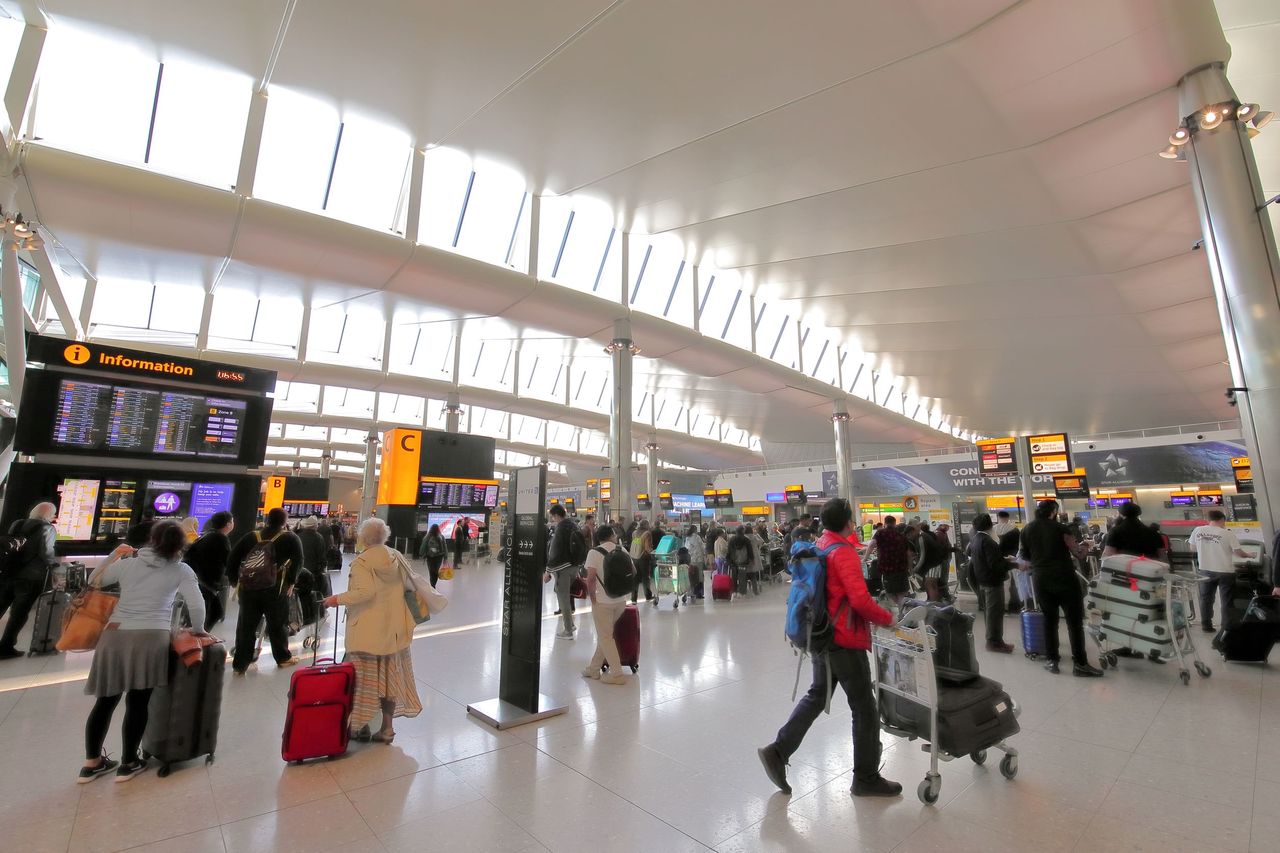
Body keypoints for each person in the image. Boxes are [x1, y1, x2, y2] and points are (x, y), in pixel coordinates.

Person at [757, 498, 900, 798]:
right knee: (864, 707)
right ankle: (866, 777)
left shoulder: (822, 544)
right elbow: (860, 600)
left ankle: (778, 751)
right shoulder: (843, 553)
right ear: (848, 522)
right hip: (843, 639)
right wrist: (888, 619)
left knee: (817, 695)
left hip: (821, 635)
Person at [79, 521, 206, 783]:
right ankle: (128, 762)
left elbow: (93, 580)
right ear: (179, 544)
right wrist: (198, 630)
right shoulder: (181, 569)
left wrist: (115, 554)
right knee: (138, 702)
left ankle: (91, 763)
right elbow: (196, 604)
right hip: (152, 635)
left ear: (152, 540)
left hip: (115, 634)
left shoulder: (129, 564)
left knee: (105, 701)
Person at [322, 518, 422, 743]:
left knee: (362, 681)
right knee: (389, 679)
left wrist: (335, 599)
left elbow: (364, 593)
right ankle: (387, 728)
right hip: (394, 631)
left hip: (367, 633)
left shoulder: (362, 562)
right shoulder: (396, 556)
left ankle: (360, 726)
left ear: (363, 538)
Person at [1020, 500, 1102, 677]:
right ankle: (1080, 664)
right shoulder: (1061, 529)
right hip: (1064, 578)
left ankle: (1052, 660)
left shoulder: (1027, 529)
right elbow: (1078, 553)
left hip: (1041, 580)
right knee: (1074, 623)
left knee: (1049, 621)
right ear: (1054, 511)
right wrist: (1087, 545)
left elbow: (1025, 557)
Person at [227, 507, 303, 675]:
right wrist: (291, 581)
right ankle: (282, 658)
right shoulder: (290, 538)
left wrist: (234, 581)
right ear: (284, 521)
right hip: (276, 589)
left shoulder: (252, 536)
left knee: (246, 626)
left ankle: (240, 665)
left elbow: (233, 558)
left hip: (249, 589)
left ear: (267, 519)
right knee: (277, 625)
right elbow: (298, 561)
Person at [0, 502, 59, 659]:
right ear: (49, 515)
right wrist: (54, 566)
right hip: (31, 576)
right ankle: (5, 646)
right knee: (19, 613)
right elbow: (46, 552)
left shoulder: (17, 523)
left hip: (9, 572)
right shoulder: (47, 528)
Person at [581, 525, 630, 685]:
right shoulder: (622, 550)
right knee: (606, 635)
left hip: (603, 601)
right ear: (612, 536)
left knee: (606, 637)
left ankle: (617, 675)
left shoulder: (594, 553)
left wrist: (593, 598)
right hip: (621, 600)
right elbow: (633, 572)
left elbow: (590, 579)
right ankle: (593, 668)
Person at [1190, 510, 1250, 633]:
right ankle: (1226, 627)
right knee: (1226, 600)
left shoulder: (1198, 530)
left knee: (1206, 599)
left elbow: (1192, 548)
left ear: (1209, 519)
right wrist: (1249, 555)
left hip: (1205, 570)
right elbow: (1238, 552)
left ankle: (1206, 626)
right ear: (1222, 519)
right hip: (1225, 571)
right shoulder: (1227, 534)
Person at [967, 514, 1013, 653]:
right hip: (992, 582)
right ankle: (994, 643)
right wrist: (1013, 564)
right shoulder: (988, 541)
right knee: (995, 613)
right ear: (990, 525)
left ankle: (993, 640)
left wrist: (1003, 559)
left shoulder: (975, 540)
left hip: (981, 581)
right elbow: (995, 565)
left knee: (989, 612)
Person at [184, 511, 235, 632]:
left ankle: (199, 636)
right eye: (232, 521)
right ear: (228, 524)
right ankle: (197, 639)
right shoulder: (220, 538)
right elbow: (228, 561)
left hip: (200, 580)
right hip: (206, 582)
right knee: (213, 613)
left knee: (213, 613)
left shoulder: (208, 535)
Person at [544, 504, 580, 639]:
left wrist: (547, 571)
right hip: (574, 566)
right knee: (565, 595)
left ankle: (568, 631)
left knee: (563, 598)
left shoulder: (560, 529)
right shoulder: (574, 525)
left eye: (552, 517)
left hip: (563, 568)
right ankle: (571, 624)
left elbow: (554, 551)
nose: (552, 520)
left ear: (556, 515)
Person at [864, 515, 910, 605]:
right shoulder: (900, 535)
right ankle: (902, 612)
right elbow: (908, 553)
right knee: (901, 592)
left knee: (890, 591)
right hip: (902, 568)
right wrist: (910, 568)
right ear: (894, 523)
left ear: (885, 523)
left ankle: (894, 609)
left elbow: (871, 544)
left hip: (888, 568)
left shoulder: (880, 533)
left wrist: (865, 558)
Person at [630, 522, 655, 604]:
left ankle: (633, 599)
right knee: (645, 578)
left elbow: (636, 543)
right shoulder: (647, 533)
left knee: (635, 578)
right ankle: (648, 596)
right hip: (643, 558)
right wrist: (653, 553)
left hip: (634, 557)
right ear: (646, 526)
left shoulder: (634, 533)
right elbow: (647, 547)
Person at [728, 527, 756, 594]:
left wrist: (729, 560)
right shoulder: (746, 540)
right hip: (743, 562)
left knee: (734, 577)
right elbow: (750, 551)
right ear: (742, 531)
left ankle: (734, 591)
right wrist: (752, 559)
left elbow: (729, 551)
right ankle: (742, 592)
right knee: (742, 577)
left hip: (733, 562)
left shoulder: (731, 539)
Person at [684, 525, 707, 599]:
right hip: (698, 560)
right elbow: (702, 547)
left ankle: (691, 592)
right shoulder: (697, 537)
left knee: (692, 576)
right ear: (695, 530)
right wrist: (704, 555)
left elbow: (686, 548)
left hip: (690, 560)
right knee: (699, 576)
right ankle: (699, 593)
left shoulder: (687, 538)